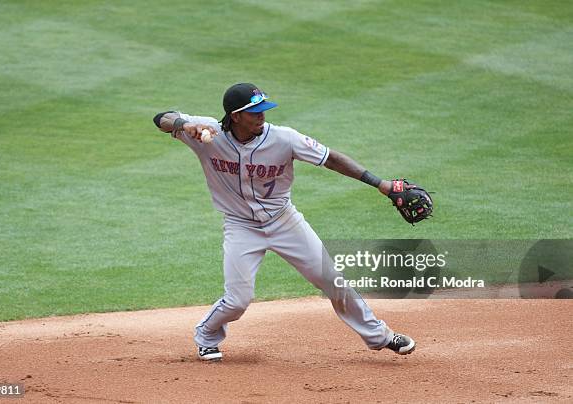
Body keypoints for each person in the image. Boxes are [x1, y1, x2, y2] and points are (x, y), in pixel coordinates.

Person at [153, 83, 415, 361]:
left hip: (284, 222)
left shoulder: (284, 138)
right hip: (241, 226)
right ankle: (207, 335)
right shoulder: (207, 132)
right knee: (238, 300)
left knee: (333, 280)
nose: (261, 115)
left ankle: (381, 336)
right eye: (253, 111)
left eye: (263, 109)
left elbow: (331, 159)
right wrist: (184, 124)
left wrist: (381, 184)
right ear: (235, 116)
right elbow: (161, 118)